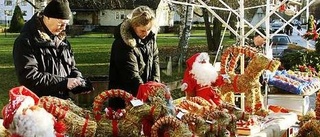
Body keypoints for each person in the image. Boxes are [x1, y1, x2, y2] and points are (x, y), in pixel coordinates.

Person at [13, 0, 92, 100]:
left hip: (62, 102)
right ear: (47, 17)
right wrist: (63, 83)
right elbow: (28, 77)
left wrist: (78, 81)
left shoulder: (62, 41)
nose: (63, 28)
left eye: (66, 24)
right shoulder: (26, 41)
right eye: (60, 24)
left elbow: (71, 67)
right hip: (38, 104)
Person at [108, 6, 160, 110]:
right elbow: (130, 74)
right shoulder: (122, 44)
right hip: (125, 97)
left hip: (144, 94)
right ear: (134, 26)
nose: (145, 33)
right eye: (142, 30)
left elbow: (155, 61)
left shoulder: (151, 39)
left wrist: (156, 85)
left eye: (148, 30)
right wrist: (144, 94)